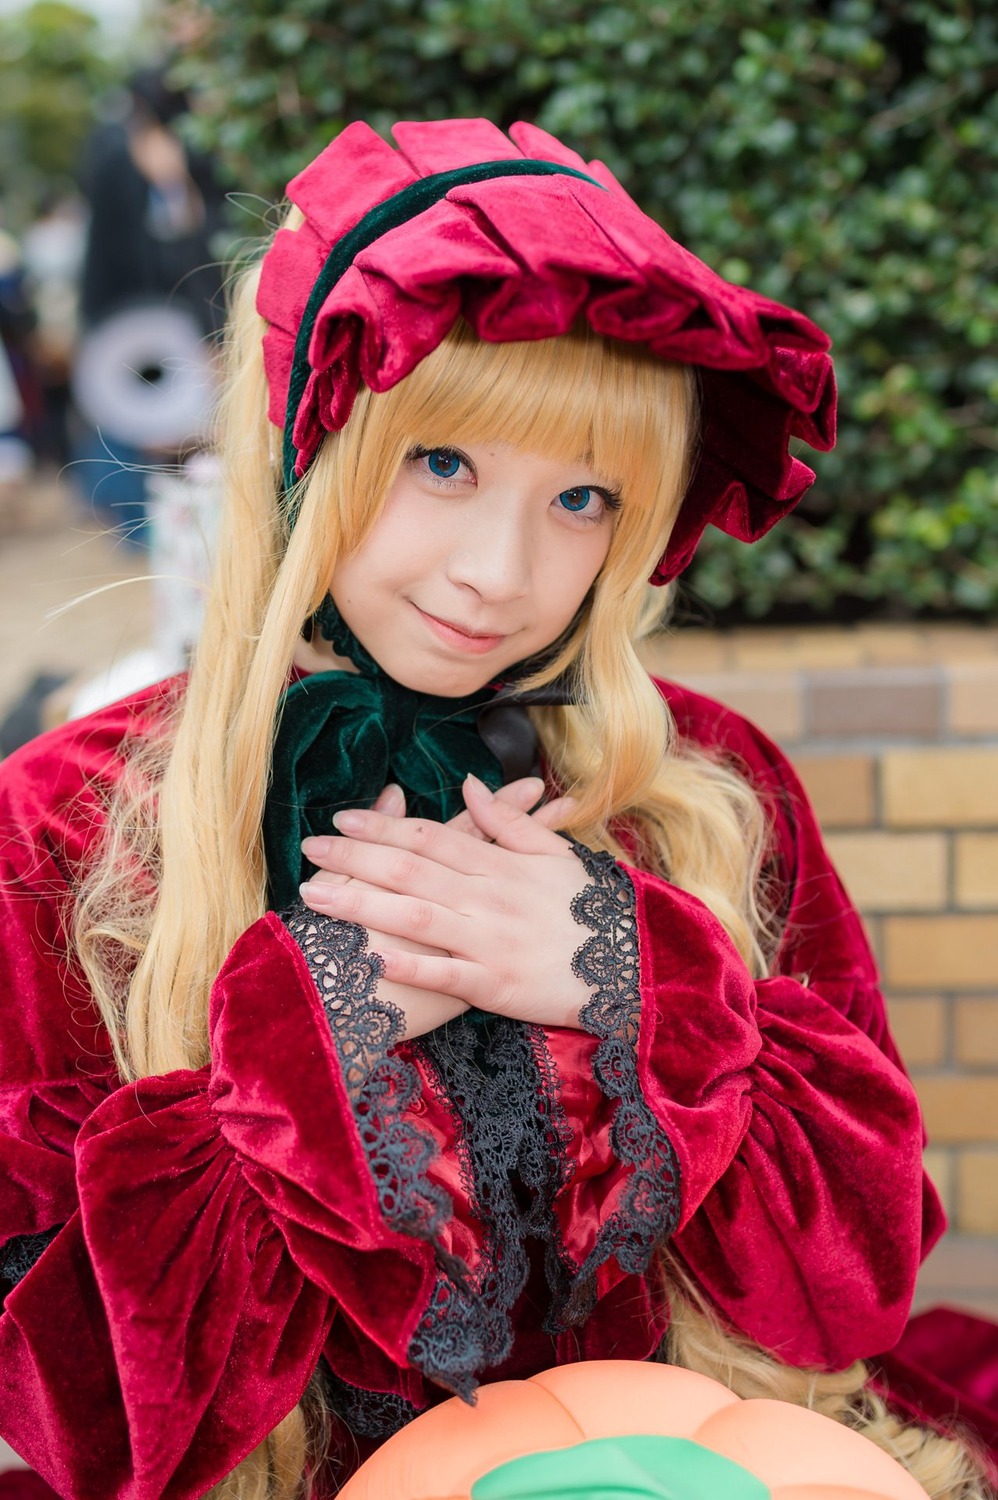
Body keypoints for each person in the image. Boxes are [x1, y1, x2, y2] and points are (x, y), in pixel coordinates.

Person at [0, 119, 992, 1500]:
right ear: (312, 443)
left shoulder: (711, 784)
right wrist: (316, 1043)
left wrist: (639, 987)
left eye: (581, 498)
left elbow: (843, 1301)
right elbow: (90, 1421)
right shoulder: (65, 821)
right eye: (442, 465)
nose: (496, 573)